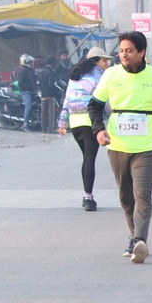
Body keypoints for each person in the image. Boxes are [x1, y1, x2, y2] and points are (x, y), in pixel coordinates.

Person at [88, 30, 152, 263]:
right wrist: (99, 130)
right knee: (126, 197)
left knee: (143, 194)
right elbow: (94, 106)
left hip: (147, 146)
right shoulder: (111, 75)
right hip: (117, 145)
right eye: (121, 51)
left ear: (141, 52)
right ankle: (134, 237)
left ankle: (140, 240)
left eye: (129, 51)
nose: (124, 55)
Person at [58, 51, 112, 210]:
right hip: (90, 121)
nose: (107, 64)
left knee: (87, 158)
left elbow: (67, 100)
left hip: (75, 123)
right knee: (89, 159)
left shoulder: (75, 75)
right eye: (104, 61)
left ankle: (86, 196)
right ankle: (88, 198)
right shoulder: (100, 76)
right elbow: (105, 101)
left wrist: (62, 123)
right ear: (96, 61)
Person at [15, 54, 38, 128]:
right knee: (28, 106)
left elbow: (35, 79)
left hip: (32, 91)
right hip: (25, 92)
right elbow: (20, 83)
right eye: (30, 62)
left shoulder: (31, 70)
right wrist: (30, 87)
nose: (32, 63)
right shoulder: (22, 71)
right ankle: (25, 124)